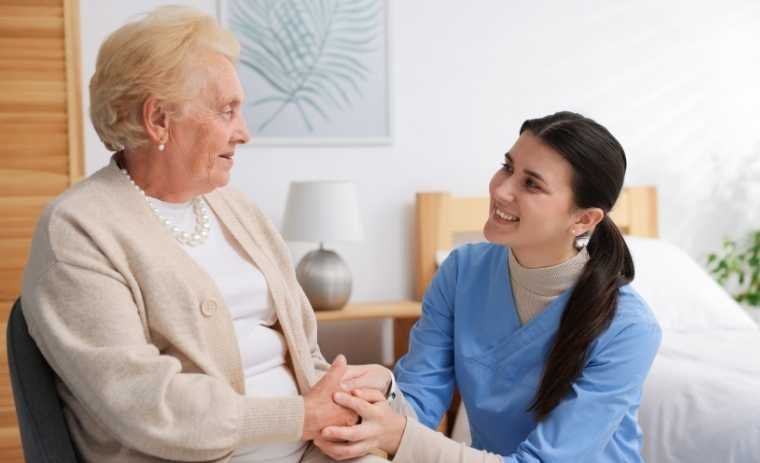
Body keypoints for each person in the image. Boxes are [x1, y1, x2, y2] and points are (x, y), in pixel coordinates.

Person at [20, 6, 386, 463]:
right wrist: (299, 417)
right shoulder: (78, 230)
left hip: (309, 448)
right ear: (158, 120)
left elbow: (303, 351)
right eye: (226, 111)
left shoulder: (238, 209)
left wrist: (345, 400)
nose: (245, 133)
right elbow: (142, 401)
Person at [314, 112, 663, 462]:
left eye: (532, 184)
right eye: (507, 167)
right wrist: (385, 396)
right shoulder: (461, 272)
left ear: (584, 219)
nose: (500, 189)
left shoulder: (629, 329)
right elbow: (419, 401)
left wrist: (399, 435)